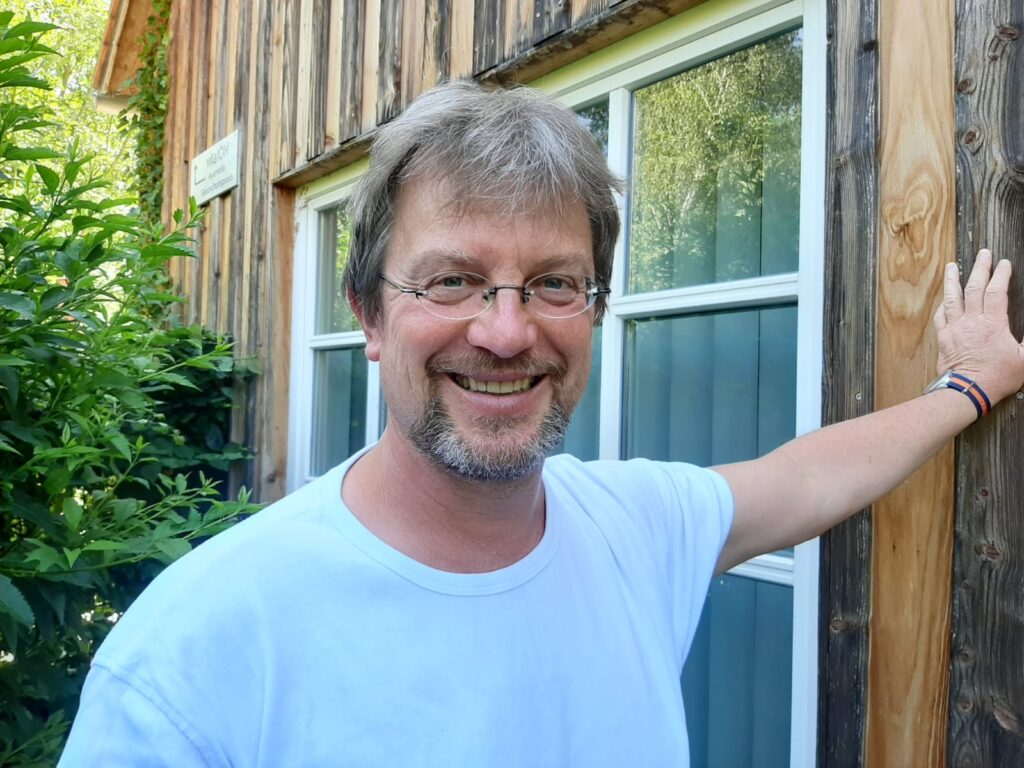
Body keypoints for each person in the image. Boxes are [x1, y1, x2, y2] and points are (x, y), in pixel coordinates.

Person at [59, 81, 1024, 767]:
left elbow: (805, 477)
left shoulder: (634, 527)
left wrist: (969, 387)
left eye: (555, 283)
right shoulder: (195, 655)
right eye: (453, 280)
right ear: (368, 315)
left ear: (593, 310)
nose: (507, 331)